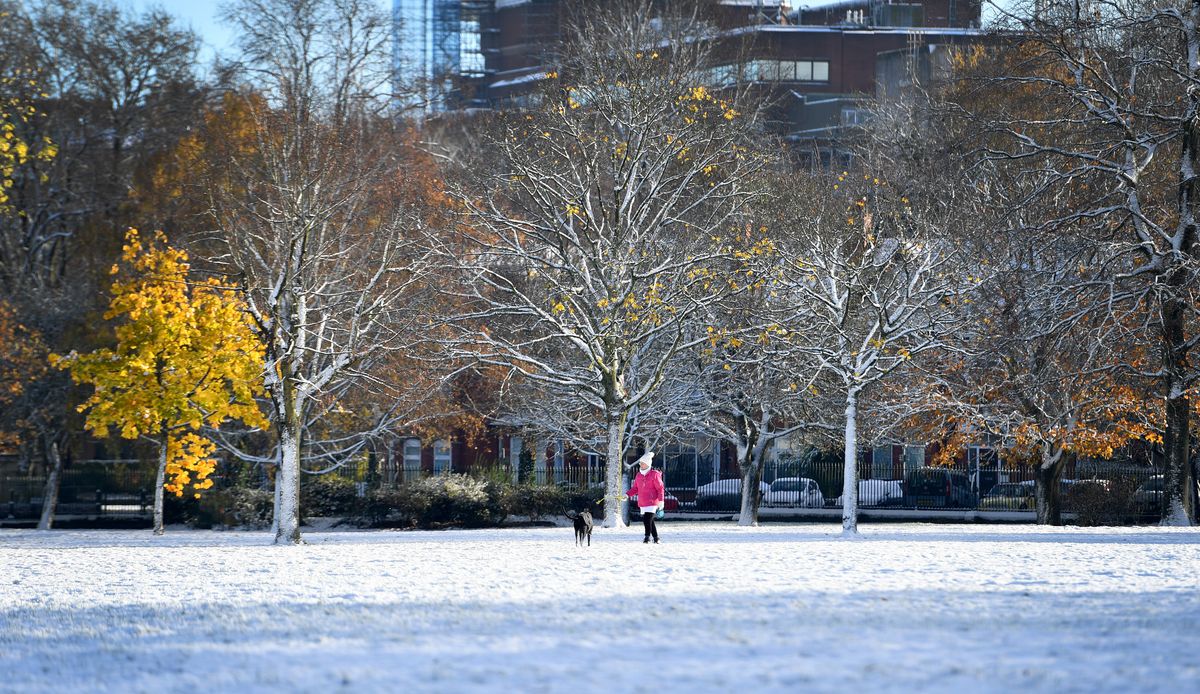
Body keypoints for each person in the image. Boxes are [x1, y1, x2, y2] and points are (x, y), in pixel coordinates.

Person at [627, 450, 664, 543]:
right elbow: (635, 488)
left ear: (648, 464)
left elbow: (660, 488)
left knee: (647, 519)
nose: (641, 465)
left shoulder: (654, 474)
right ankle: (656, 538)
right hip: (643, 502)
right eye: (640, 463)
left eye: (643, 463)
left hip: (652, 501)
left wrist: (661, 500)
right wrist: (627, 495)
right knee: (650, 521)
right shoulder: (638, 475)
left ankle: (647, 537)